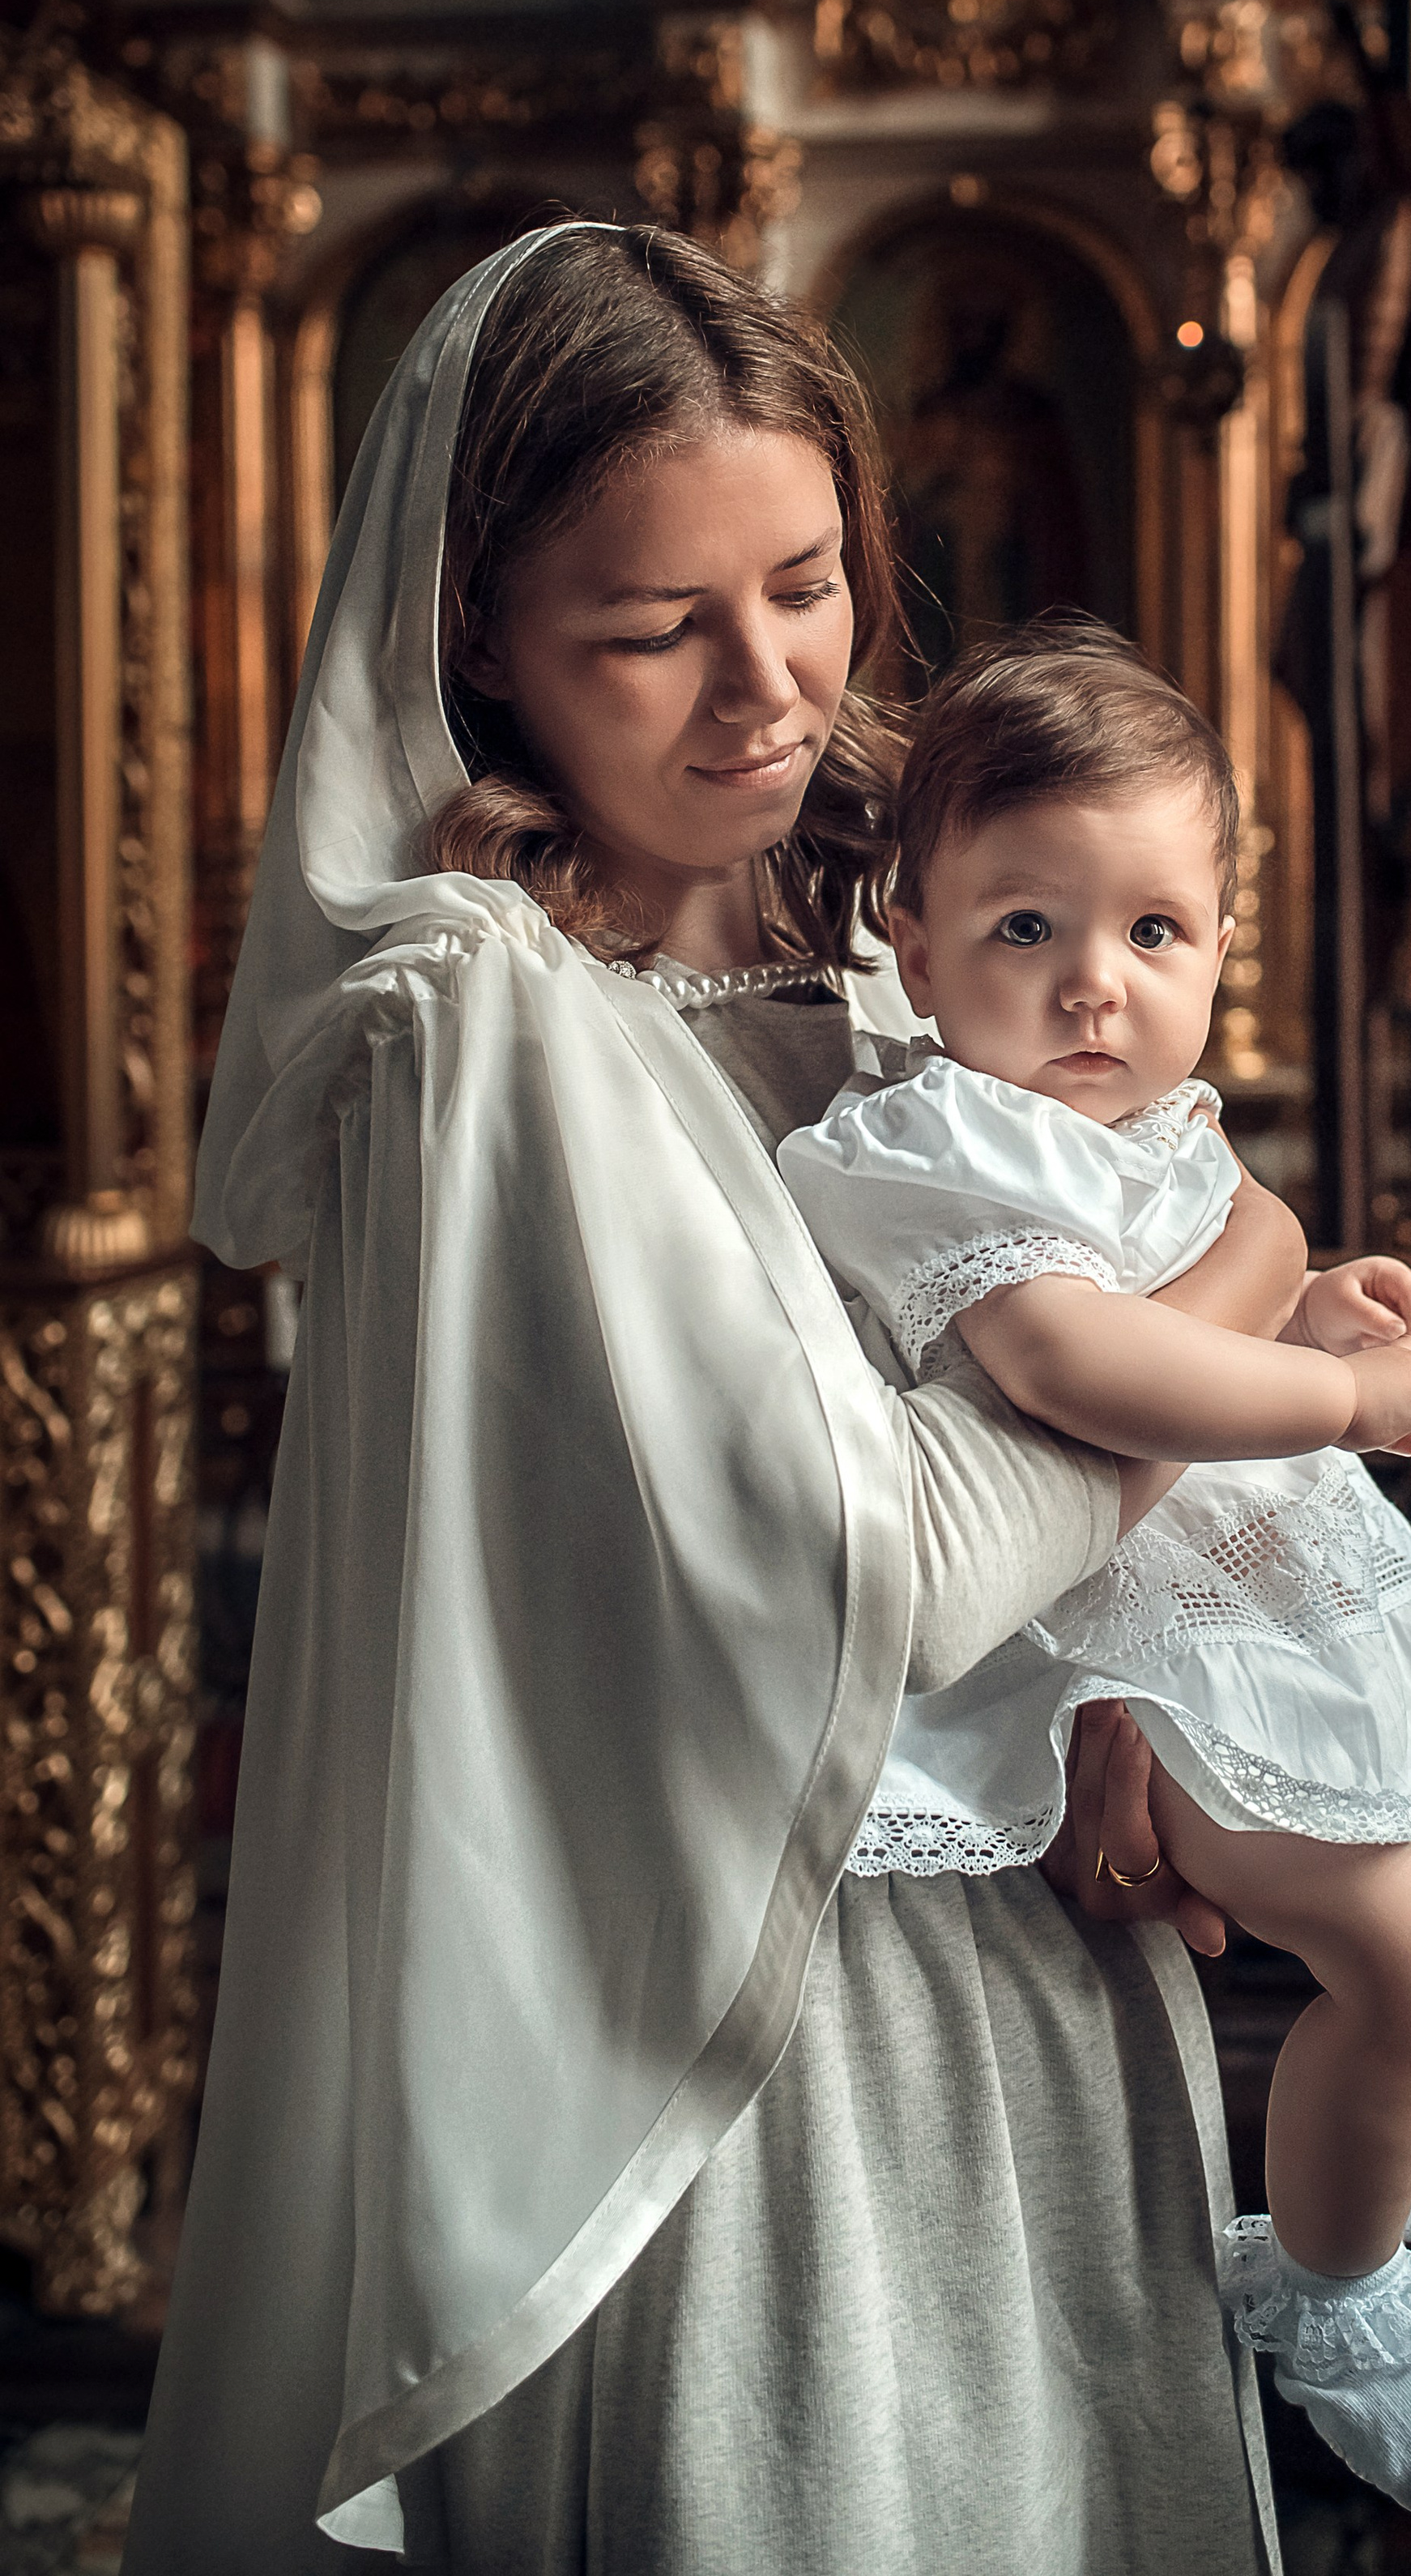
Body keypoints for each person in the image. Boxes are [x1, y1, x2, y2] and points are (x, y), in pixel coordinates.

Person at [123, 225, 1288, 2575]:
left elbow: (1068, 1412)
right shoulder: (480, 1024)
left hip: (1031, 1965)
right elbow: (904, 1569)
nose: (767, 688)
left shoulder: (912, 928)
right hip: (730, 2041)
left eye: (811, 584)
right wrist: (1254, 1282)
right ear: (482, 640)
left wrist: (1132, 1685)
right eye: (656, 628)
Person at [778, 621, 1411, 2535]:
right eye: (1025, 928)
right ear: (912, 939)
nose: (1094, 982)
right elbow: (1078, 1362)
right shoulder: (931, 1141)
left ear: (1222, 944)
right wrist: (1333, 1388)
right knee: (1407, 1949)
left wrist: (1306, 1304)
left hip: (1271, 1588)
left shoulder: (1155, 1132)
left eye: (1152, 931)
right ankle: (1326, 2291)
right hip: (1126, 1654)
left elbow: (1196, 1305)